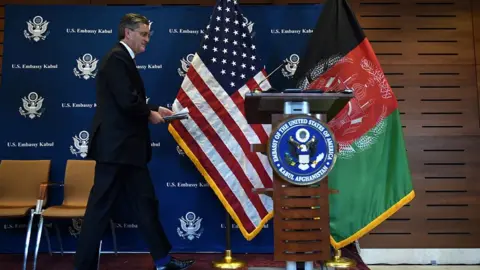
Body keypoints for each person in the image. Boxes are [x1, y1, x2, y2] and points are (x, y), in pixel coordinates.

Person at [74, 13, 195, 270]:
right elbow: (127, 102)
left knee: (145, 204)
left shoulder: (121, 58)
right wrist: (149, 114)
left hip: (128, 150)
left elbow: (129, 99)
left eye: (148, 35)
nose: (147, 40)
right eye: (143, 34)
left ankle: (163, 261)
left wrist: (156, 108)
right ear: (128, 33)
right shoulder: (116, 58)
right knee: (99, 210)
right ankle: (82, 266)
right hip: (116, 149)